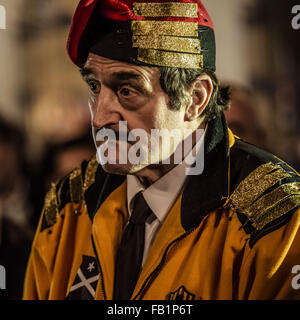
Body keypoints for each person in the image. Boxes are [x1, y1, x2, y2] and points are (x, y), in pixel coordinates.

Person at [23, 0, 300, 300]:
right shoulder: (67, 207)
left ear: (195, 98)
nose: (99, 118)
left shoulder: (277, 220)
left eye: (127, 90)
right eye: (94, 87)